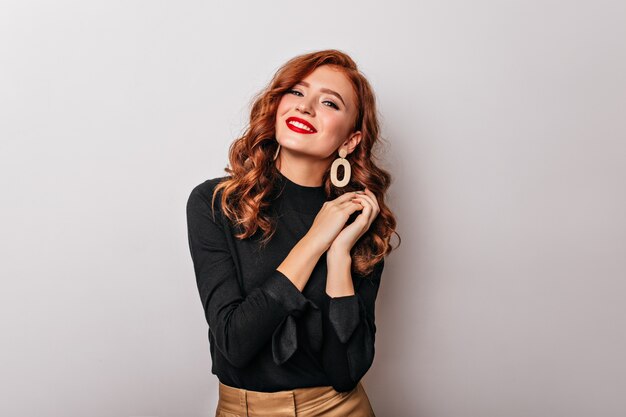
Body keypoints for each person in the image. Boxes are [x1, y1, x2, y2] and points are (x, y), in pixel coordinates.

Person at [186, 49, 399, 417]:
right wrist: (316, 240)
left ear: (349, 141)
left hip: (339, 409)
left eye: (329, 102)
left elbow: (345, 371)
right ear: (278, 105)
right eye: (297, 93)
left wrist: (338, 257)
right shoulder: (215, 202)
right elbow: (235, 343)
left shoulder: (359, 220)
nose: (306, 107)